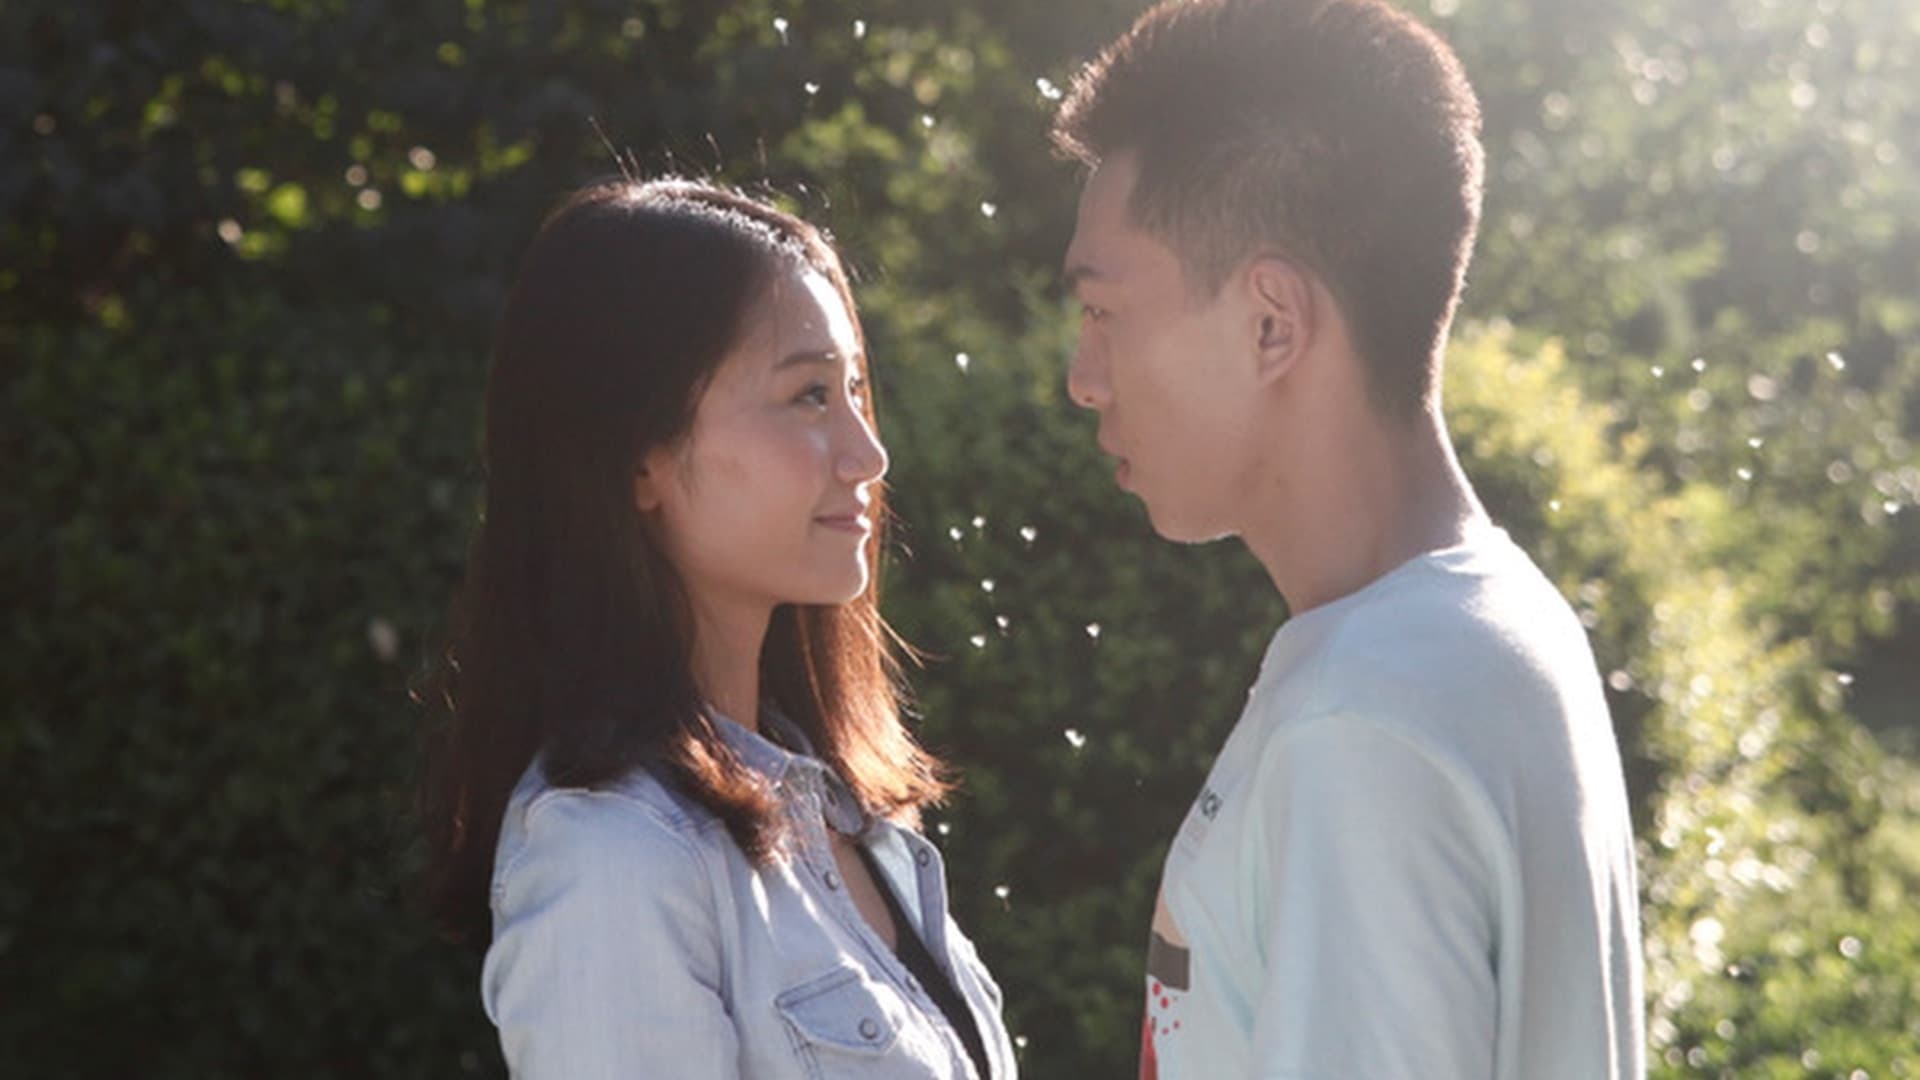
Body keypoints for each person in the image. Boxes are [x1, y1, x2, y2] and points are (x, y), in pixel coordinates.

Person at [1050, 1, 1644, 1077]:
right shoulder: (1502, 626)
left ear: (1270, 323)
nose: (1083, 379)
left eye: (1103, 312)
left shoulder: (1360, 722)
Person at [418, 177, 1017, 1079]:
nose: (868, 453)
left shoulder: (842, 811)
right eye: (808, 396)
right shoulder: (615, 857)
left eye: (855, 389)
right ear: (639, 460)